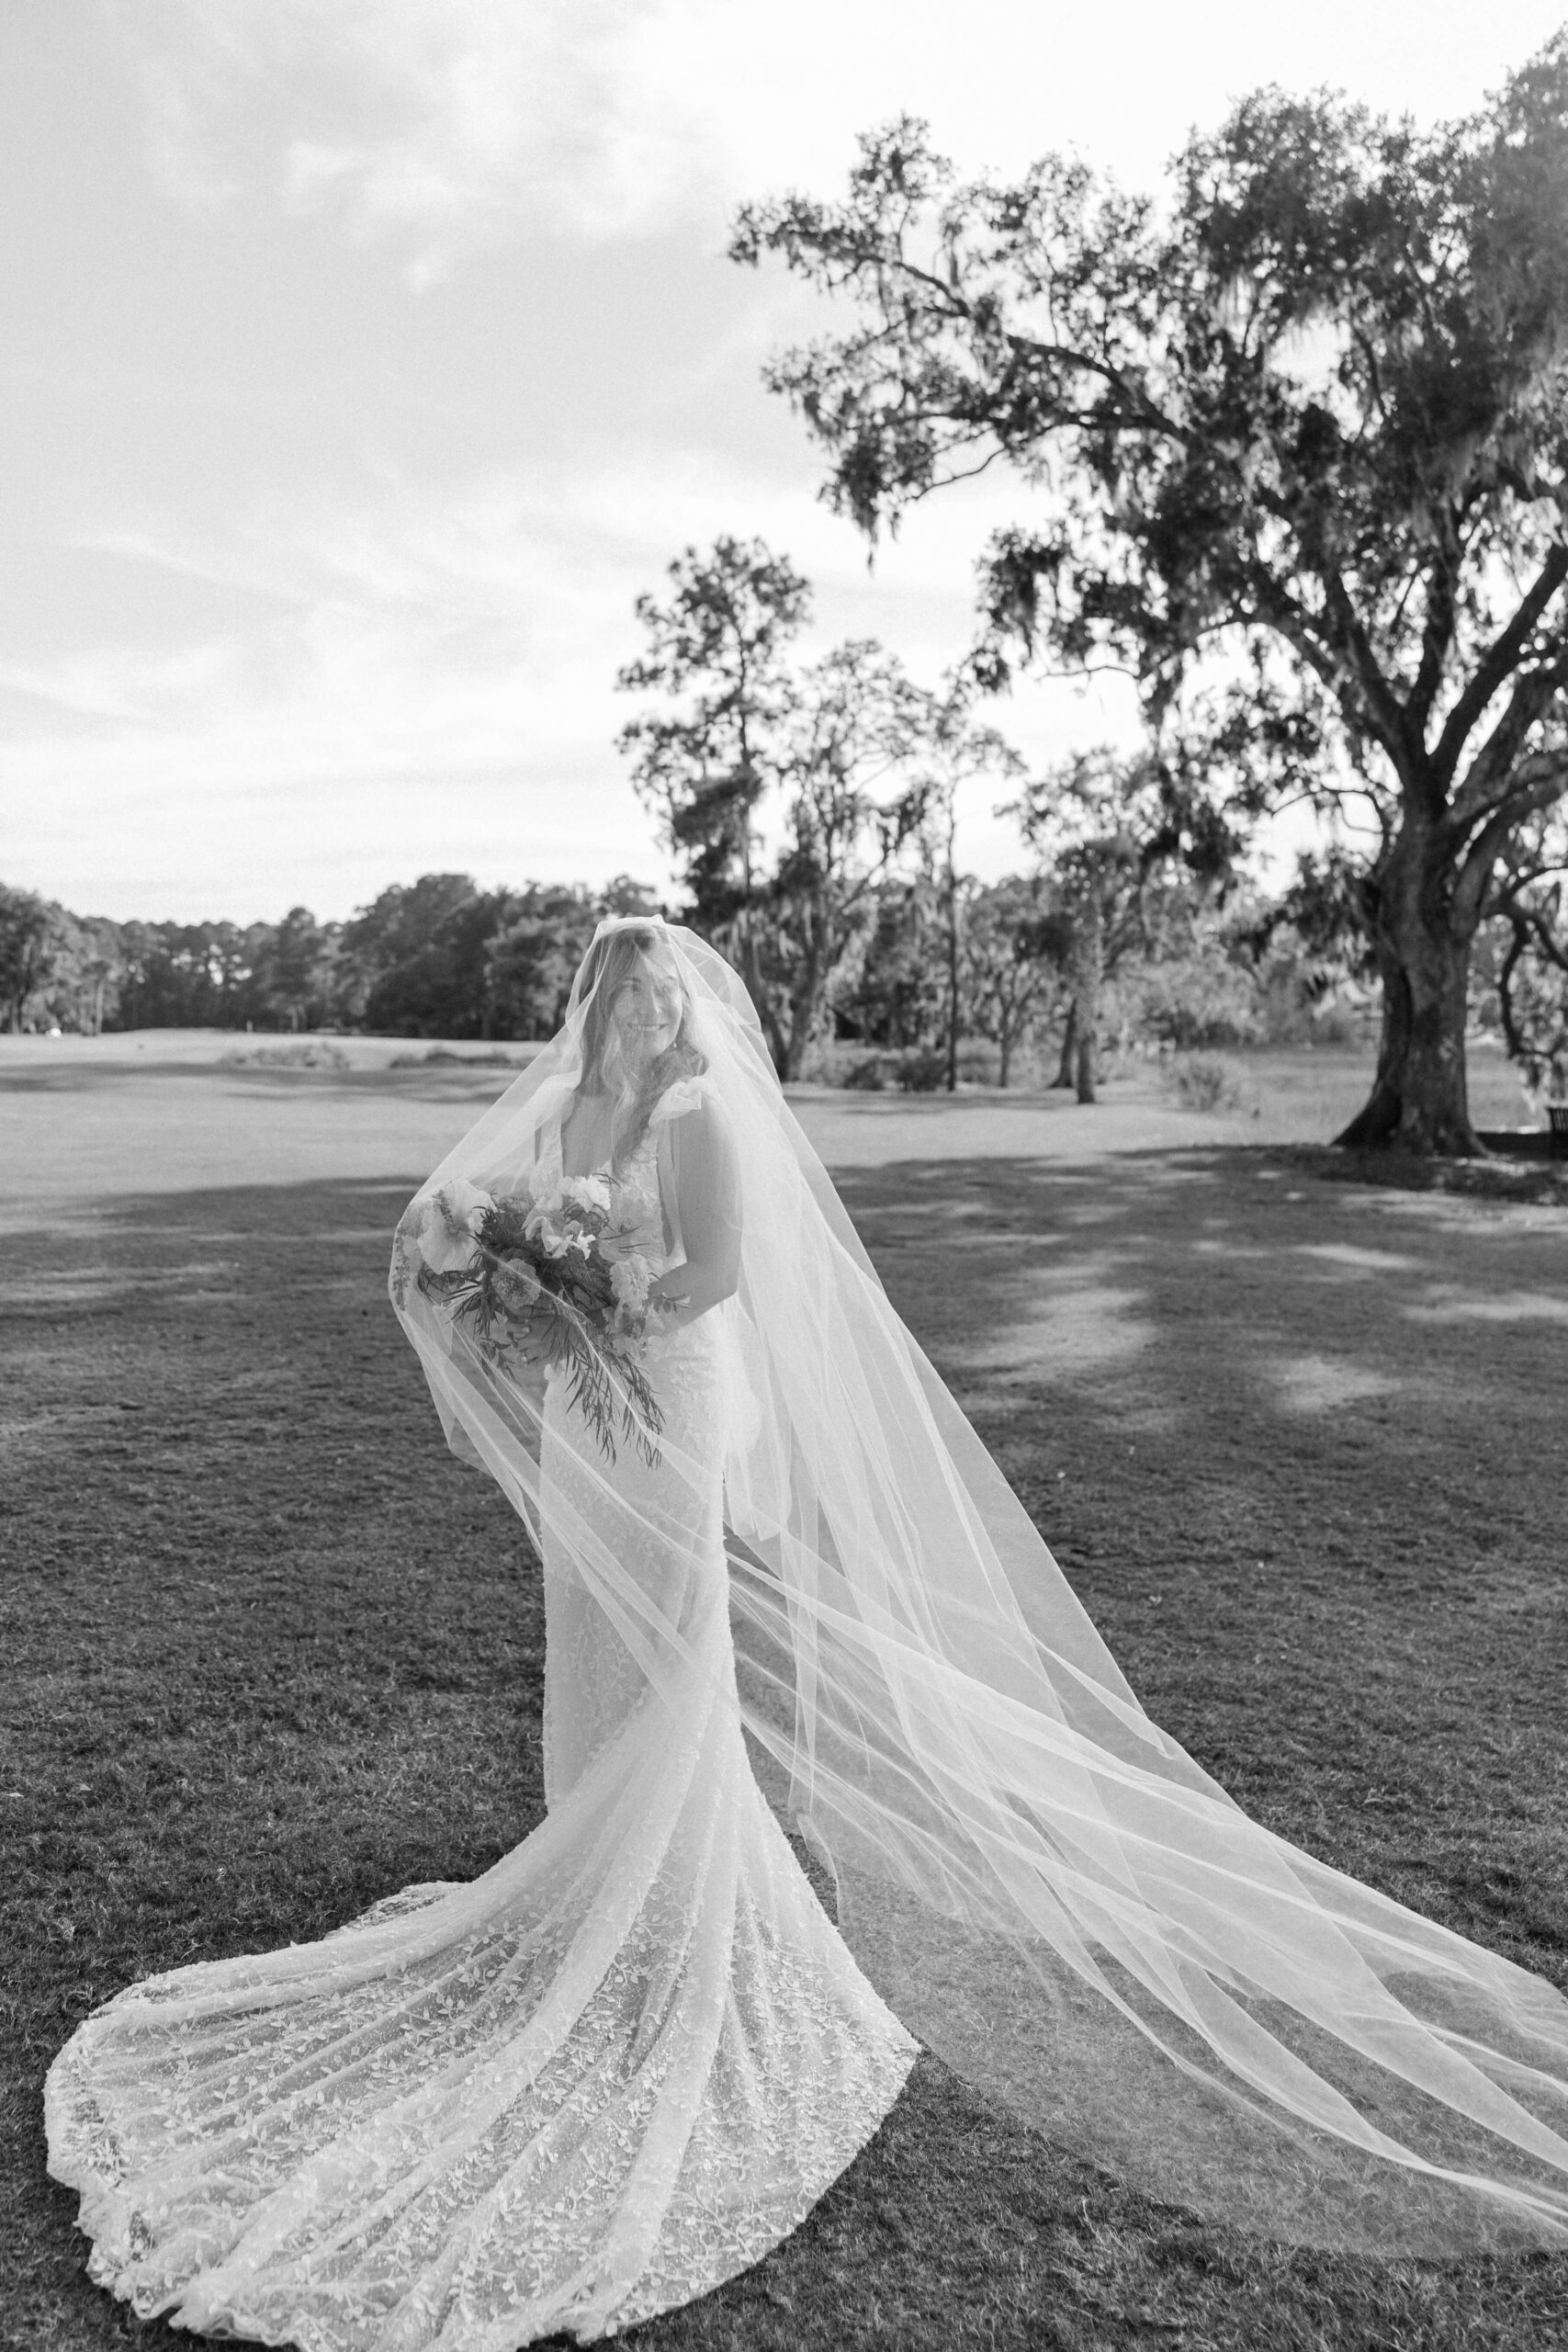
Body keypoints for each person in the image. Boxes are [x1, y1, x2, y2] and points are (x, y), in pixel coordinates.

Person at [45, 918, 1568, 2349]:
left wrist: (597, 1298)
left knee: (682, 1651)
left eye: (655, 994)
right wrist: (499, 1264)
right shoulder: (568, 1119)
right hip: (592, 1407)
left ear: (680, 1006)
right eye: (616, 993)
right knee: (593, 1631)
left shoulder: (697, 1113)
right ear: (592, 1006)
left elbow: (716, 1276)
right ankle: (589, 1882)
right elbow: (492, 1232)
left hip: (669, 1398)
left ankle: (678, 1916)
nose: (638, 1014)